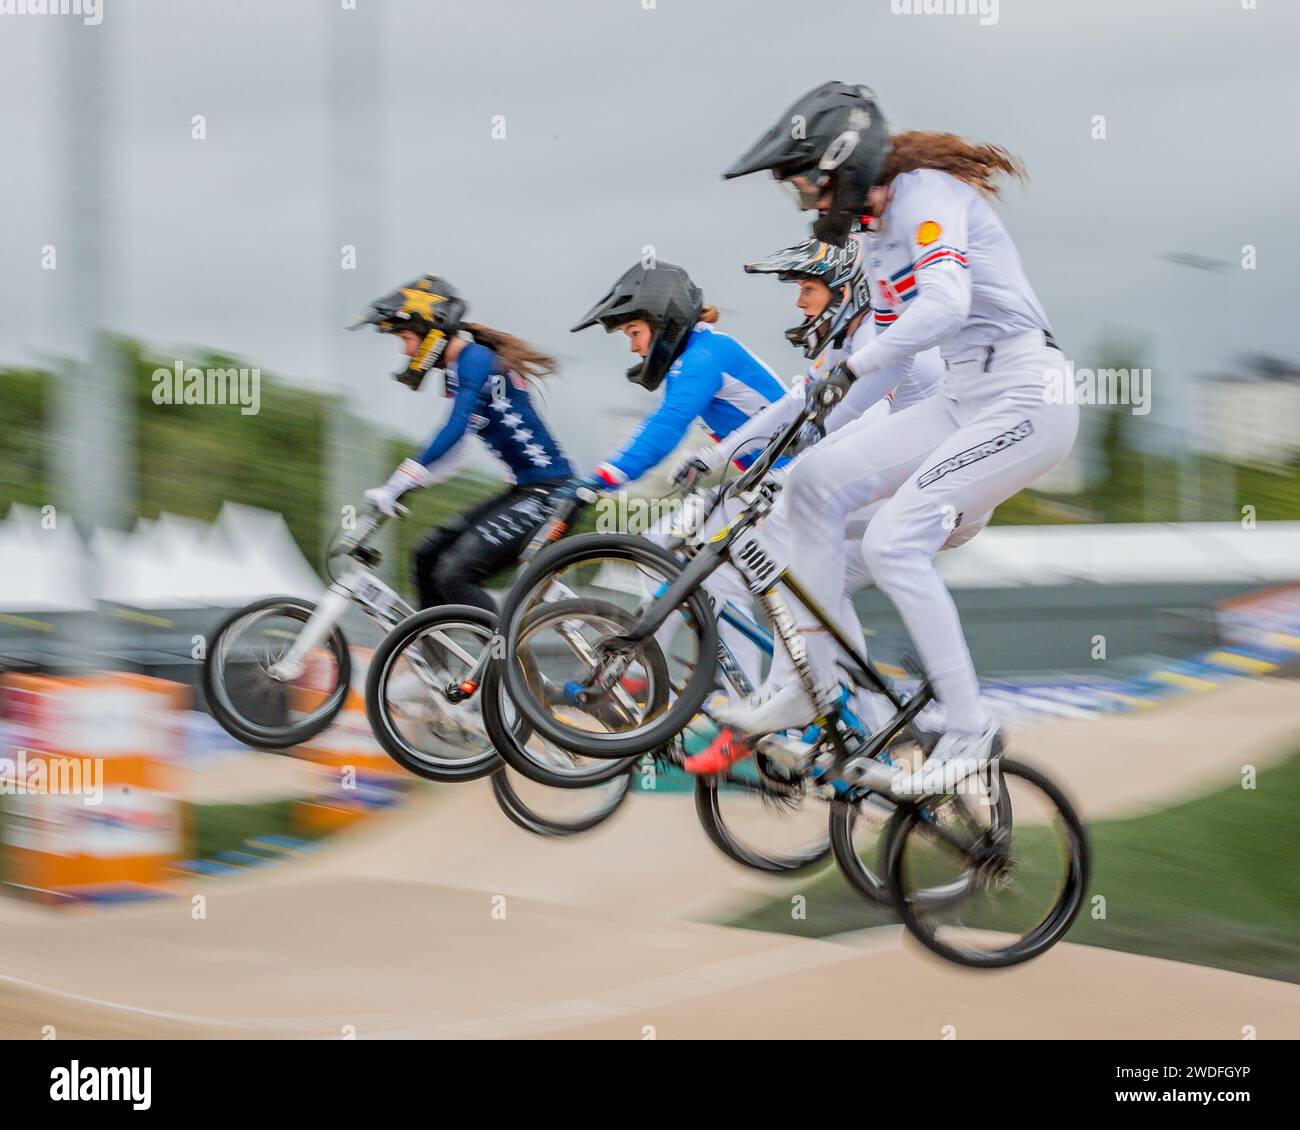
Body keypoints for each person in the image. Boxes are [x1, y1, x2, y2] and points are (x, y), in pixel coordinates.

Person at [720, 81, 1079, 794]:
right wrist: (782, 439)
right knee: (812, 485)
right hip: (963, 396)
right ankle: (810, 683)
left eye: (810, 189)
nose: (810, 206)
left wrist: (852, 364)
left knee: (892, 541)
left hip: (1026, 396)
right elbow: (876, 360)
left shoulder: (925, 195)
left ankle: (970, 727)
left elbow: (945, 306)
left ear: (847, 166)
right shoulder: (878, 233)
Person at [568, 258, 789, 699]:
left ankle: (658, 677)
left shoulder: (705, 356)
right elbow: (663, 424)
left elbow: (666, 428)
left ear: (663, 320)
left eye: (633, 333)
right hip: (766, 487)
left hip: (790, 489)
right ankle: (679, 681)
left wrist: (602, 479)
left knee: (689, 568)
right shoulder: (701, 353)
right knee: (668, 554)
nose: (632, 348)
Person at [354, 274, 574, 613]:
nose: (406, 349)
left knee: (455, 573)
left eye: (406, 337)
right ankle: (433, 661)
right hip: (524, 492)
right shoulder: (462, 368)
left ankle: (504, 662)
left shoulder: (475, 361)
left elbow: (455, 429)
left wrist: (400, 480)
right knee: (425, 555)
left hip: (548, 495)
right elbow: (457, 452)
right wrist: (404, 487)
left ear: (431, 332)